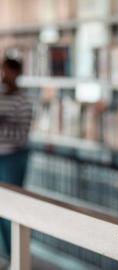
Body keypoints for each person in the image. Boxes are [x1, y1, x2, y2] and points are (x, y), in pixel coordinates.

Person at [0, 57, 32, 259]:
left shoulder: (23, 99)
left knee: (13, 206)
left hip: (13, 157)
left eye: (7, 71)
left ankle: (16, 255)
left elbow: (22, 134)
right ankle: (5, 254)